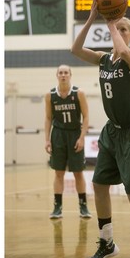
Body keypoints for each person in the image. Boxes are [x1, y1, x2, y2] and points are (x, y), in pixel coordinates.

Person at [71, 0, 130, 258]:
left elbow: (122, 51)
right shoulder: (102, 60)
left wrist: (111, 23)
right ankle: (107, 242)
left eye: (124, 29)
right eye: (117, 27)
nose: (119, 31)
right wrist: (91, 19)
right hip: (113, 131)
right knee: (99, 184)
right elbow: (75, 49)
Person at [45, 64, 92, 219]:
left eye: (66, 72)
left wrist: (82, 137)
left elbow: (86, 117)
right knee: (58, 173)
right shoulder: (50, 95)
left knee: (78, 172)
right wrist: (47, 140)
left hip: (74, 134)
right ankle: (57, 208)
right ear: (56, 75)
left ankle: (83, 207)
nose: (63, 75)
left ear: (70, 75)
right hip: (58, 135)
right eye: (60, 73)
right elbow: (48, 118)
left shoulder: (79, 93)